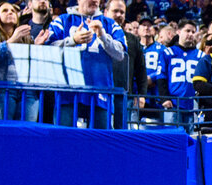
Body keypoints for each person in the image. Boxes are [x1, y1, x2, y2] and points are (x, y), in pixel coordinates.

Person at [47, 0, 127, 129]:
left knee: (101, 139)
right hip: (67, 90)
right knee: (64, 137)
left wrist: (102, 36)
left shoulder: (110, 24)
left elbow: (120, 54)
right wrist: (72, 40)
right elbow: (48, 50)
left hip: (101, 90)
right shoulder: (62, 20)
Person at [0, 1, 45, 121]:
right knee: (3, 130)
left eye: (13, 11)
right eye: (5, 10)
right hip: (0, 90)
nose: (10, 12)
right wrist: (11, 41)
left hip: (27, 91)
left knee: (26, 131)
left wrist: (35, 47)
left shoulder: (26, 37)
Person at [106, 0, 146, 129]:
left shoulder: (132, 39)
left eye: (122, 12)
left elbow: (141, 70)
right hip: (100, 93)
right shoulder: (96, 36)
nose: (119, 15)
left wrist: (142, 95)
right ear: (106, 12)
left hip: (124, 95)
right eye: (115, 11)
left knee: (122, 133)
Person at [157, 19, 202, 130]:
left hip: (193, 105)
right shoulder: (167, 52)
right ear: (179, 31)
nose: (190, 34)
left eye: (193, 32)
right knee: (172, 137)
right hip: (173, 104)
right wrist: (164, 98)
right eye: (187, 31)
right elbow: (161, 77)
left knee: (192, 137)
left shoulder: (201, 55)